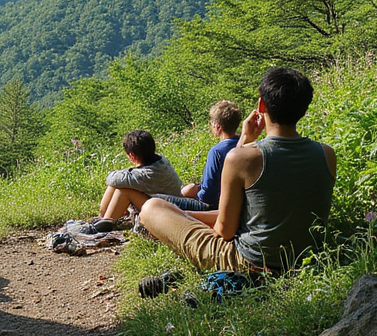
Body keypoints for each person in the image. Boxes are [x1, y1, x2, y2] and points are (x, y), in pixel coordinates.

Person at [138, 67, 337, 286]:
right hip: (306, 260)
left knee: (151, 208)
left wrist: (182, 216)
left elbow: (225, 230)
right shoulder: (326, 153)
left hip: (249, 263)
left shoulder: (242, 158)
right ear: (304, 108)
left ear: (261, 105)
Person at [149, 100, 242, 212]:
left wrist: (194, 195)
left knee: (156, 199)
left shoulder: (217, 152)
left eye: (211, 123)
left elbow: (208, 195)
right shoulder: (246, 145)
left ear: (217, 127)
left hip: (214, 206)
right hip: (238, 202)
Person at [83, 129, 182, 231]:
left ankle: (106, 221)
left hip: (165, 211)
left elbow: (111, 178)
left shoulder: (142, 176)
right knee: (120, 183)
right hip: (171, 201)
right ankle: (104, 219)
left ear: (131, 155)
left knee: (123, 190)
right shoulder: (162, 160)